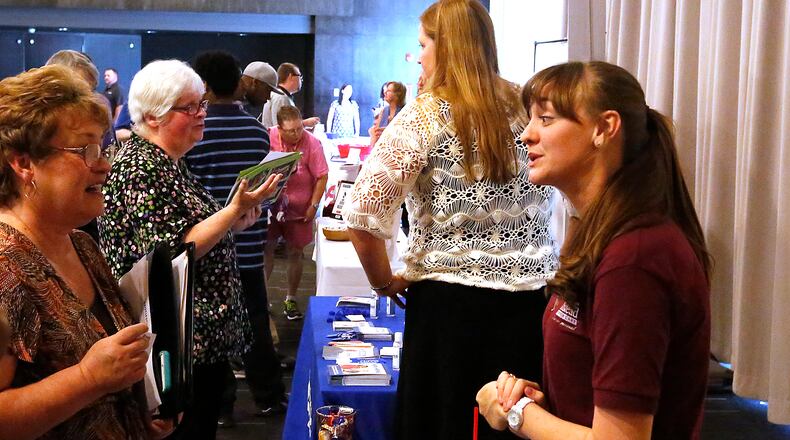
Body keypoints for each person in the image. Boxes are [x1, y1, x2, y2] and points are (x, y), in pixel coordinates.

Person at [342, 1, 558, 438]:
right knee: (516, 420)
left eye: (422, 45)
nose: (419, 55)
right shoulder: (527, 107)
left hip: (447, 312)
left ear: (449, 46)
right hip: (527, 305)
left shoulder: (426, 115)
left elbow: (363, 214)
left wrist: (385, 282)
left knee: (442, 420)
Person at [475, 61, 712, 440]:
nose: (527, 135)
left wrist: (516, 412)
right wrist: (538, 401)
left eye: (546, 119)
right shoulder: (601, 236)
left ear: (604, 128)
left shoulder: (635, 259)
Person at [98, 59, 281, 440]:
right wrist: (231, 210)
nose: (202, 114)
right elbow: (172, 252)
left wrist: (233, 220)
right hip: (174, 344)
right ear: (153, 115)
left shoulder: (167, 162)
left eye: (202, 104)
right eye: (190, 107)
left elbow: (191, 232)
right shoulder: (140, 167)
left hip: (195, 340)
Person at [0, 65, 174, 439]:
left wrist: (136, 410)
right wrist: (87, 379)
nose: (105, 165)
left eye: (103, 147)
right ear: (24, 163)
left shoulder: (80, 243)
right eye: (86, 150)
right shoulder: (5, 268)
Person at [184, 50, 288, 426]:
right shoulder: (258, 132)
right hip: (249, 244)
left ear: (205, 86)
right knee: (257, 320)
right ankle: (270, 396)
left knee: (212, 330)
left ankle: (223, 405)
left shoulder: (195, 132)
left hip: (210, 246)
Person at [265, 105, 329, 320]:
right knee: (267, 250)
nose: (297, 134)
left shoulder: (311, 143)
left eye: (300, 128)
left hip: (300, 208)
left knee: (295, 252)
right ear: (279, 129)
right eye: (291, 130)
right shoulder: (268, 137)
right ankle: (263, 298)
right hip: (271, 206)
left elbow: (322, 176)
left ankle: (291, 298)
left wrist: (313, 205)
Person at [261, 62, 320, 129]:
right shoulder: (281, 97)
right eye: (299, 76)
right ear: (290, 76)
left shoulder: (280, 95)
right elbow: (282, 128)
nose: (301, 80)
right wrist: (304, 123)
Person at [368, 81, 406, 145]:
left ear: (397, 94)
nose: (385, 92)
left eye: (388, 90)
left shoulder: (404, 112)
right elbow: (376, 133)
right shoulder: (383, 111)